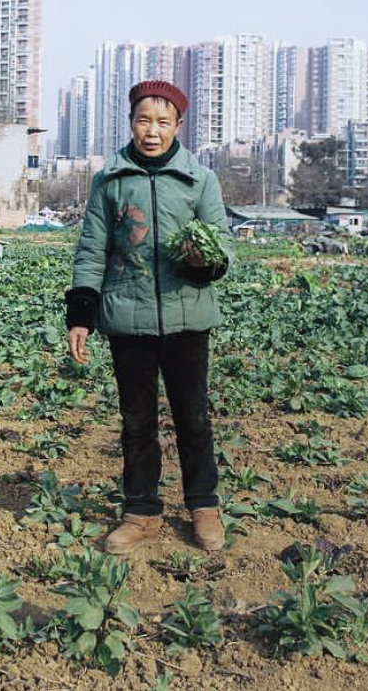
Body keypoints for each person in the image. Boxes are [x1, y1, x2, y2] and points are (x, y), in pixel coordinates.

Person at [65, 80, 234, 554]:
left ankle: (204, 508)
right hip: (127, 320)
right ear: (131, 123)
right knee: (136, 421)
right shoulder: (111, 180)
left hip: (188, 320)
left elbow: (222, 244)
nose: (152, 131)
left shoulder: (199, 179)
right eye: (144, 120)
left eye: (163, 122)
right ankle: (141, 513)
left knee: (194, 419)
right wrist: (81, 312)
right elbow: (92, 249)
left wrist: (205, 260)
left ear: (179, 126)